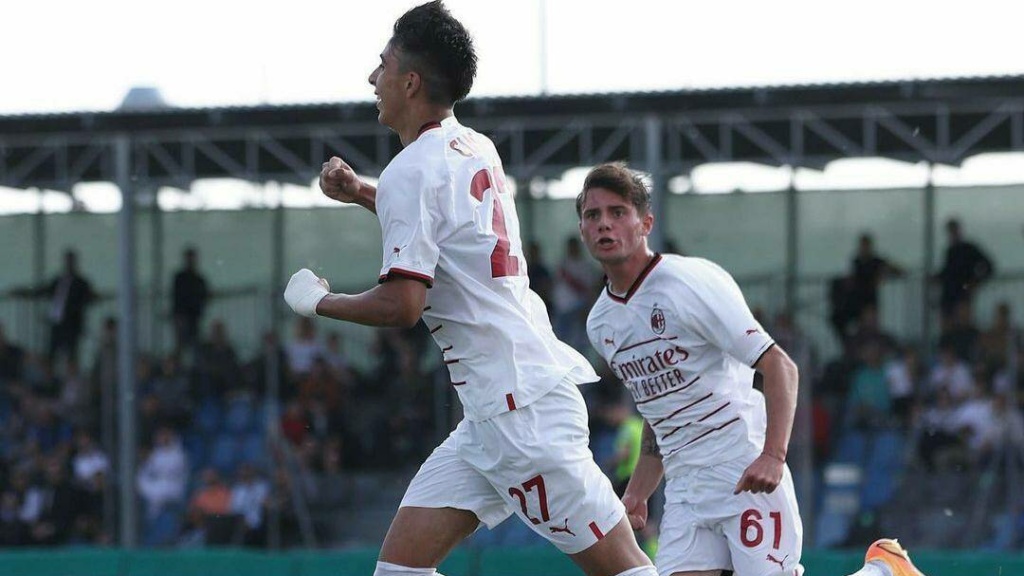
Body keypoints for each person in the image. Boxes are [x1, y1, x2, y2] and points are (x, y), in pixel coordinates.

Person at [282, 3, 655, 576]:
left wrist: (317, 302)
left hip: (520, 419)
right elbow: (442, 227)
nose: (371, 78)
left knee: (627, 571)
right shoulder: (474, 146)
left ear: (409, 81)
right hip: (494, 414)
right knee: (399, 571)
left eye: (381, 65)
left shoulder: (412, 170)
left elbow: (403, 305)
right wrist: (361, 190)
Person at [576, 162, 924, 576]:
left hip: (741, 467)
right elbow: (659, 410)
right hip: (686, 490)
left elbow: (780, 365)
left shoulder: (689, 283)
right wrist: (636, 493)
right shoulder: (601, 324)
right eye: (592, 215)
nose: (604, 224)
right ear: (582, 229)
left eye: (618, 212)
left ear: (645, 222)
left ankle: (884, 571)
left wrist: (773, 456)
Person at [40, 250, 97, 366]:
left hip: (71, 325)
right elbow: (45, 291)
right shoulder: (58, 280)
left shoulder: (80, 282)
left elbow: (89, 297)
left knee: (71, 356)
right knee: (51, 355)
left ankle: (71, 381)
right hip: (57, 324)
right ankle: (51, 380)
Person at [934, 219, 993, 320]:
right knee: (949, 323)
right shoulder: (951, 251)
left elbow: (989, 266)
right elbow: (948, 272)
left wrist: (976, 282)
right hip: (950, 294)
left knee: (962, 323)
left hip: (962, 293)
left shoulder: (968, 249)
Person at [171, 246, 209, 352]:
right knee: (183, 344)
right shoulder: (181, 278)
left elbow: (203, 296)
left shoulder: (198, 279)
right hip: (183, 317)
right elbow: (177, 298)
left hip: (194, 317)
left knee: (193, 344)